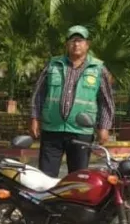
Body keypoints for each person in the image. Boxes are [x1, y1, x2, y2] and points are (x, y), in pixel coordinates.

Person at [30, 25, 115, 177]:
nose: (76, 44)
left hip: (81, 131)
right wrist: (34, 118)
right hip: (52, 129)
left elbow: (106, 100)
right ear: (67, 44)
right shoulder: (53, 65)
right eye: (72, 40)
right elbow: (38, 94)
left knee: (78, 177)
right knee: (45, 177)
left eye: (80, 40)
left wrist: (104, 127)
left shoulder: (98, 68)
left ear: (87, 44)